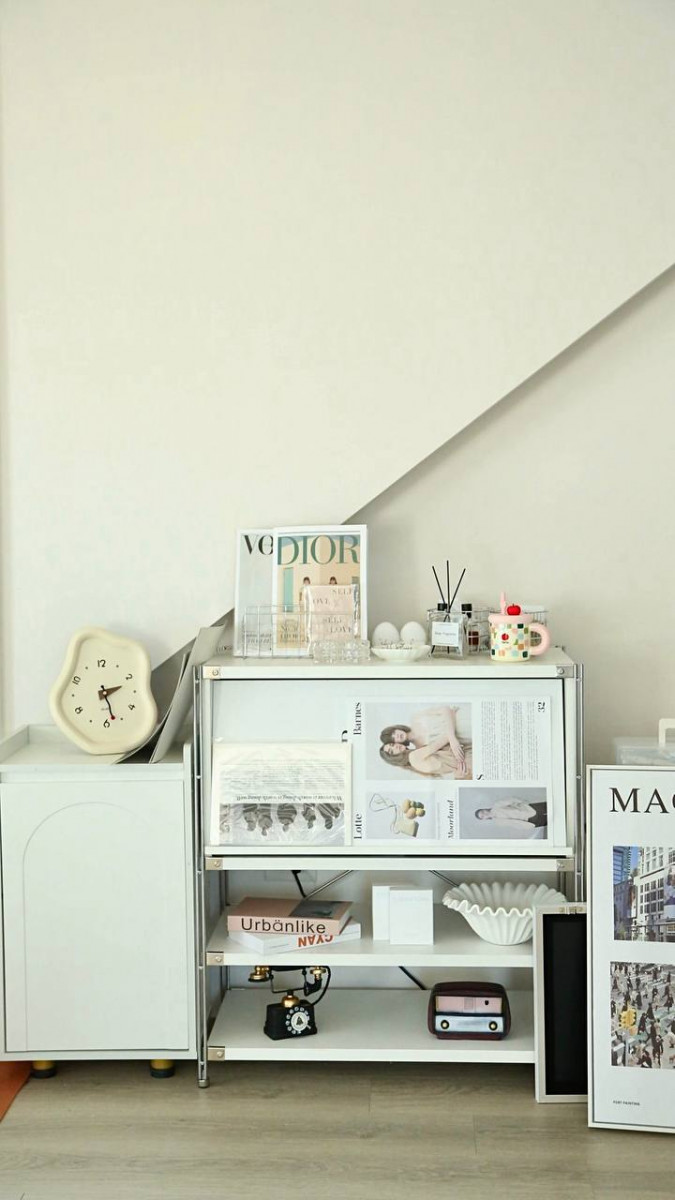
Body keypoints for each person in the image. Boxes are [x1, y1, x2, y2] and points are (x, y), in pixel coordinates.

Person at [379, 707, 472, 779]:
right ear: (394, 758)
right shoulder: (415, 756)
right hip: (468, 756)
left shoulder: (416, 759)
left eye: (392, 745)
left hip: (465, 729)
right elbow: (446, 739)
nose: (395, 747)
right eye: (391, 751)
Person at [474, 799, 547, 830]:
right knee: (550, 821)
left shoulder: (496, 805)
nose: (485, 814)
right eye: (482, 816)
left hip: (529, 809)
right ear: (484, 819)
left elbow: (511, 800)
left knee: (550, 806)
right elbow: (514, 824)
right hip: (530, 822)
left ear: (484, 809)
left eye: (483, 812)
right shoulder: (498, 823)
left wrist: (524, 804)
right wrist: (525, 826)